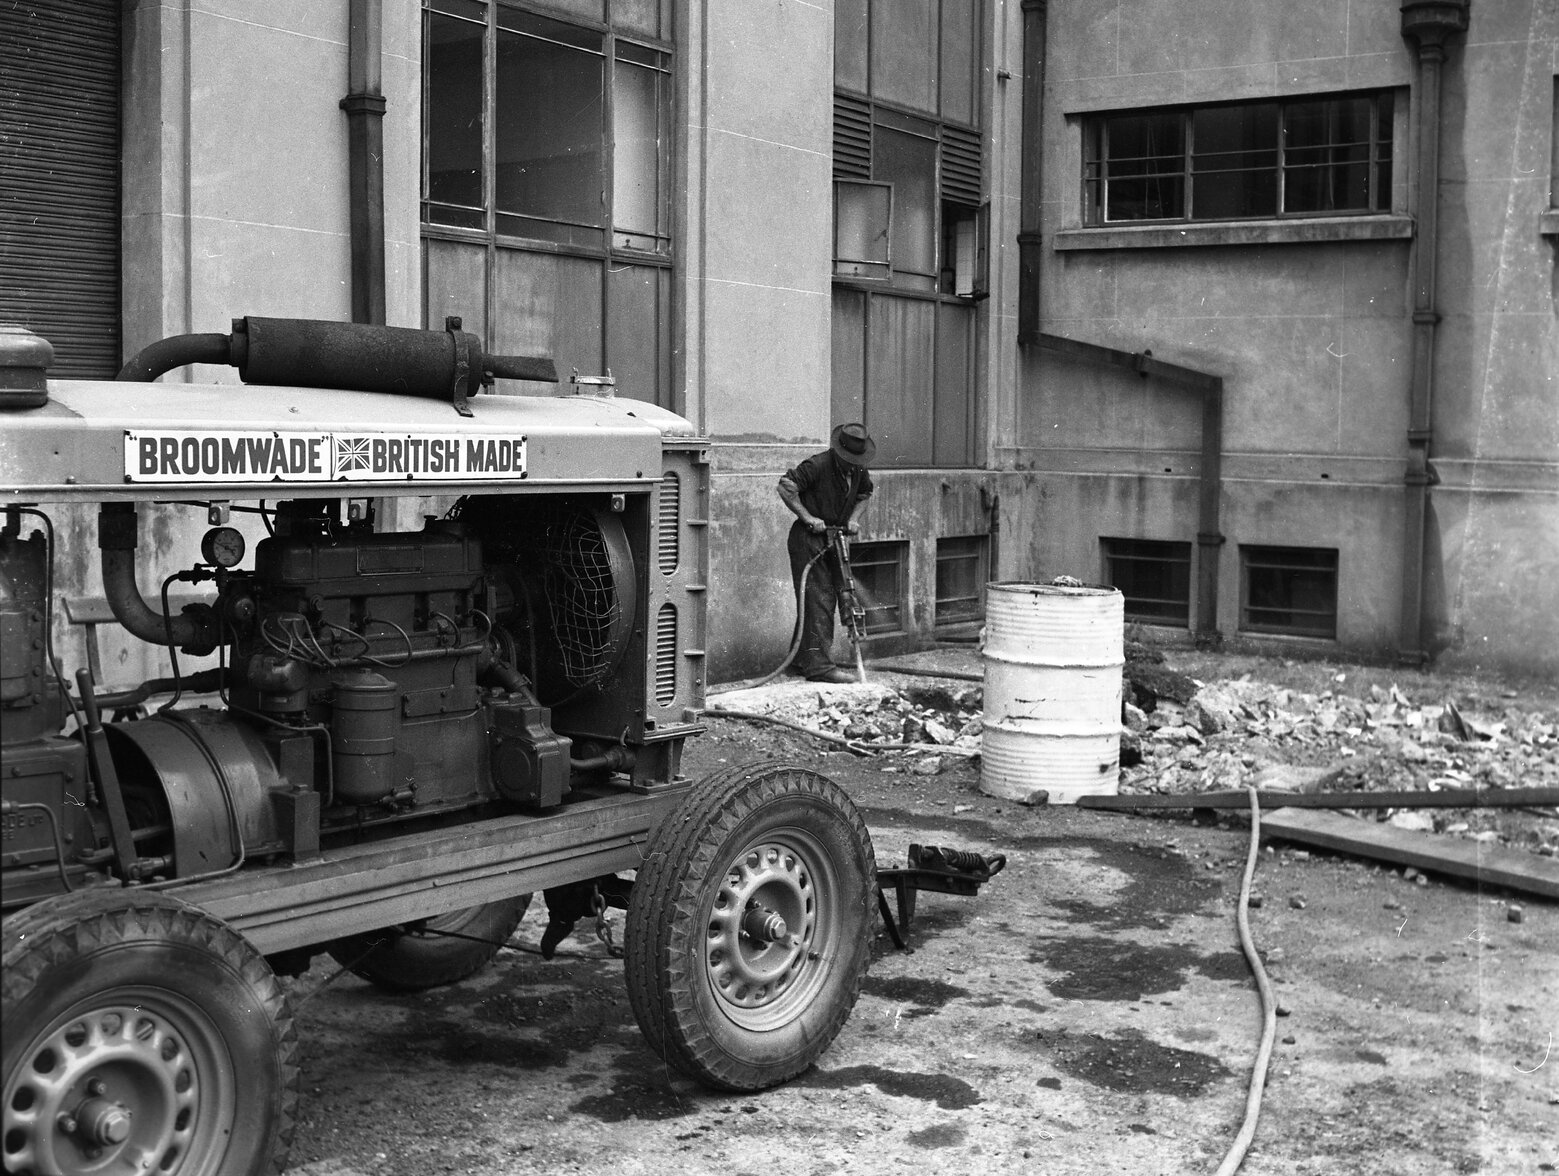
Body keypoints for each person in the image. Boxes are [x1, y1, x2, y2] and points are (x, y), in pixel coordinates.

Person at [776, 422, 875, 683]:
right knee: (819, 599)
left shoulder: (858, 470)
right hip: (808, 540)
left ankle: (801, 661)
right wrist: (808, 517)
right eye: (849, 459)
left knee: (833, 597)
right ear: (839, 452)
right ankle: (819, 667)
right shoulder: (818, 465)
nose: (853, 464)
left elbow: (865, 494)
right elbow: (786, 487)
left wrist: (854, 519)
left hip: (835, 538)